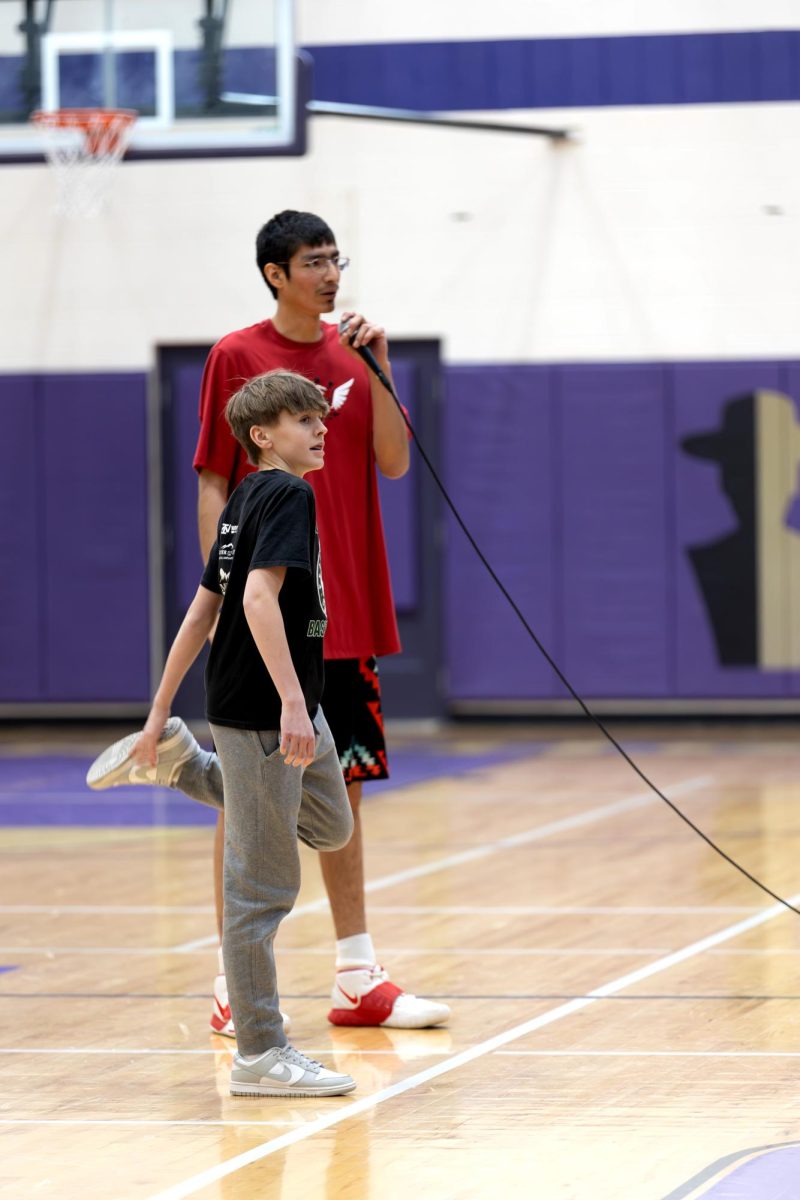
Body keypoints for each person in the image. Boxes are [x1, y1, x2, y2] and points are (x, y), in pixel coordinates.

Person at [88, 210, 450, 1035]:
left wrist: (381, 366)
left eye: (336, 258)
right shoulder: (237, 357)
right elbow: (214, 481)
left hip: (344, 608)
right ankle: (232, 982)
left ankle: (358, 976)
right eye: (314, 261)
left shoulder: (354, 350)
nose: (331, 274)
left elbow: (394, 461)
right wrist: (224, 592)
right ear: (274, 274)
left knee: (340, 790)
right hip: (266, 608)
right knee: (248, 801)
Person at [100, 369, 356, 1097]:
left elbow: (200, 610)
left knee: (332, 826)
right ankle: (260, 1055)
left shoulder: (246, 498)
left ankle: (183, 762)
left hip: (289, 703)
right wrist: (290, 705)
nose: (320, 429)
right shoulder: (285, 493)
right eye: (303, 420)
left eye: (320, 418)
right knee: (261, 890)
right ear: (262, 435)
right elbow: (251, 597)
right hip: (266, 711)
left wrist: (157, 714)